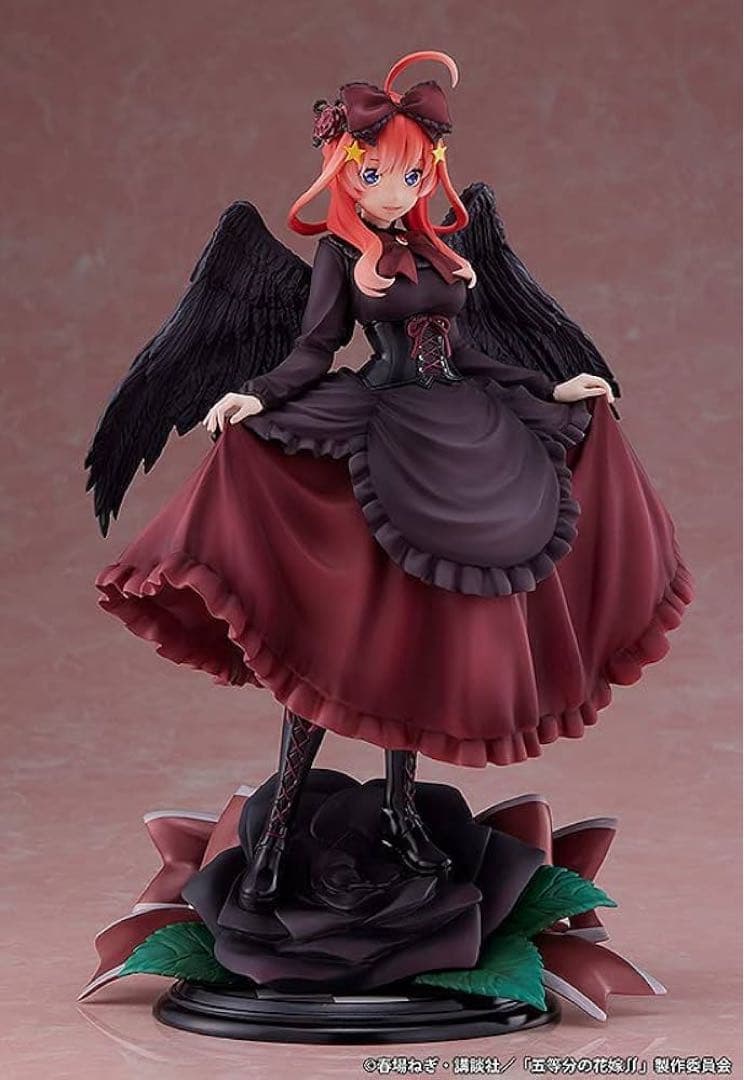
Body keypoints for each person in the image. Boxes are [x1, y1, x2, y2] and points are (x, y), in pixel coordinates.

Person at [85, 50, 694, 911]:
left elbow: (473, 354)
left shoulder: (441, 255)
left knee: (415, 639)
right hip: (381, 431)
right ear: (342, 170)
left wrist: (553, 388)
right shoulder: (339, 255)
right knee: (340, 634)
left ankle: (404, 813)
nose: (394, 189)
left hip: (463, 432)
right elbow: (312, 350)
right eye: (375, 173)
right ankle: (281, 825)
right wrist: (256, 393)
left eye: (411, 173)